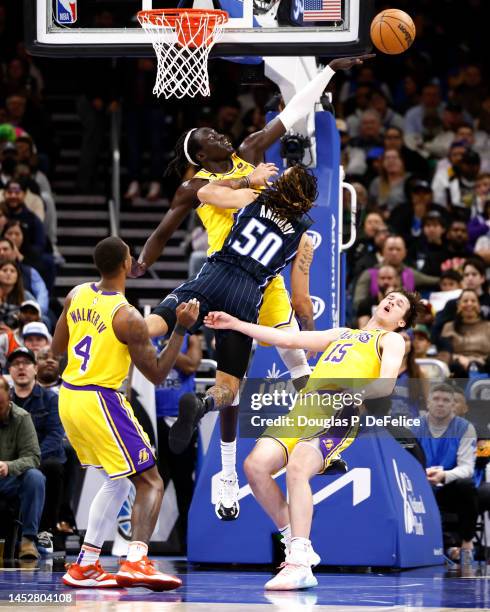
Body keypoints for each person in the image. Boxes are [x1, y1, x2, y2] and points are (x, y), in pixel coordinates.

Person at [130, 55, 373, 518]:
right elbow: (163, 230)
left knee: (294, 359)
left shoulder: (250, 152)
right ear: (200, 156)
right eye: (210, 138)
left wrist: (326, 74)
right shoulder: (199, 183)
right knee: (243, 380)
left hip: (257, 277)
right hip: (234, 272)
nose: (221, 136)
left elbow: (292, 111)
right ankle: (225, 474)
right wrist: (144, 258)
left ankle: (319, 438)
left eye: (219, 132)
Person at [204, 289, 420, 589]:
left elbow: (384, 385)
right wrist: (236, 323)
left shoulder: (391, 340)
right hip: (304, 409)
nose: (391, 302)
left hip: (340, 412)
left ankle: (299, 560)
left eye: (399, 305)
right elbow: (289, 339)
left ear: (400, 322)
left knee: (297, 468)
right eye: (390, 297)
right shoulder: (344, 332)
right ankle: (295, 538)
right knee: (255, 466)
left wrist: (354, 394)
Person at [146, 165, 318, 519]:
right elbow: (301, 302)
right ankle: (204, 403)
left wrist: (247, 179)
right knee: (229, 387)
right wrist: (311, 331)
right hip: (246, 295)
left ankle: (121, 331)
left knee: (157, 323)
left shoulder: (252, 197)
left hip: (215, 274)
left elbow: (204, 193)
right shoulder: (304, 238)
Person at [52, 236, 198, 590]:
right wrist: (180, 327)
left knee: (116, 480)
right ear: (124, 265)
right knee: (151, 480)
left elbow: (58, 350)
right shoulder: (127, 315)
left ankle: (86, 564)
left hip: (69, 397)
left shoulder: (76, 295)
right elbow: (158, 372)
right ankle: (137, 560)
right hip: (100, 398)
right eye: (131, 256)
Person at [413, 384, 477, 572]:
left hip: (448, 487)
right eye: (437, 399)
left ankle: (467, 544)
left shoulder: (465, 428)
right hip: (419, 486)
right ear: (428, 402)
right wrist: (420, 476)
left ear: (453, 405)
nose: (440, 404)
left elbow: (467, 468)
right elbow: (403, 461)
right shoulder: (414, 427)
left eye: (446, 400)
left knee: (467, 485)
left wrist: (444, 476)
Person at [7, 346, 65, 551]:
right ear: (9, 371)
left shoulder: (51, 399)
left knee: (52, 467)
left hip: (43, 457)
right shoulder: (4, 400)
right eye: (15, 364)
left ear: (35, 368)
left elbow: (55, 435)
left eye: (26, 363)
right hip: (12, 461)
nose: (21, 367)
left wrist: (31, 458)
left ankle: (45, 530)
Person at [153, 331, 202, 543]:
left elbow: (191, 365)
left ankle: (189, 542)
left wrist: (164, 351)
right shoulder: (147, 335)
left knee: (184, 485)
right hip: (152, 420)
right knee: (151, 483)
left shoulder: (190, 337)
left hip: (181, 420)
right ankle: (138, 545)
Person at [0, 374, 45, 560]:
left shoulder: (21, 418)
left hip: (10, 480)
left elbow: (33, 457)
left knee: (35, 477)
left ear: (8, 396)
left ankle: (28, 540)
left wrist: (8, 466)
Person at [437, 289, 490, 377]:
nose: (469, 304)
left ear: (479, 305)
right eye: (465, 301)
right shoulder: (448, 327)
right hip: (456, 369)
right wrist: (457, 358)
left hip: (485, 369)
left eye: (473, 301)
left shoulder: (488, 326)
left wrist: (480, 361)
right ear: (458, 305)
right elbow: (444, 353)